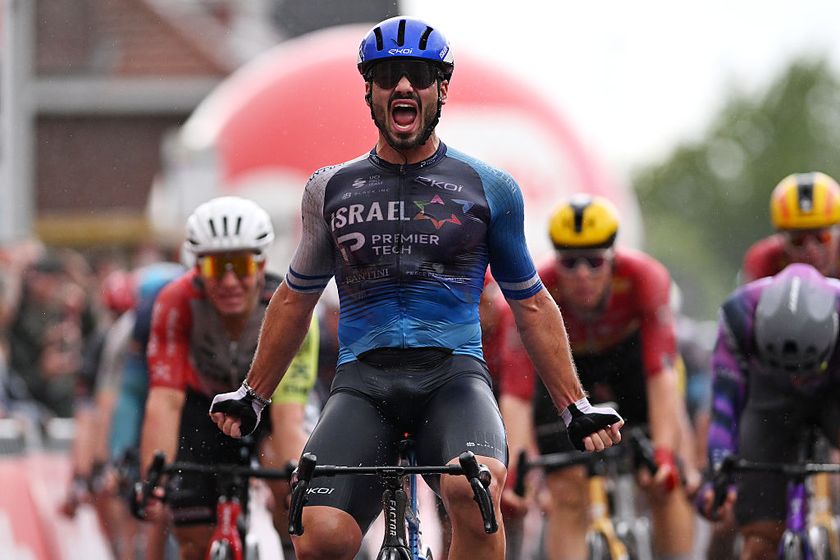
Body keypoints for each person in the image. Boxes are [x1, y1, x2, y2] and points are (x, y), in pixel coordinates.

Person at [208, 16, 623, 560]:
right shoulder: (328, 190)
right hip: (363, 384)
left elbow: (532, 304)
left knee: (472, 493)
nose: (403, 86)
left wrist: (575, 407)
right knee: (318, 534)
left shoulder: (489, 188)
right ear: (370, 92)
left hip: (452, 378)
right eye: (388, 76)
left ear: (441, 89)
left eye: (419, 75)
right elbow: (294, 299)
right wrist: (253, 394)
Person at [498, 194, 696, 560]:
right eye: (570, 263)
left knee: (665, 482)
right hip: (566, 372)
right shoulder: (536, 287)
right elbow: (516, 394)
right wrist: (516, 473)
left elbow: (661, 374)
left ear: (614, 259)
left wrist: (667, 454)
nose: (583, 274)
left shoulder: (644, 277)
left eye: (594, 261)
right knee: (567, 489)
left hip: (630, 367)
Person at [138, 196, 319, 560]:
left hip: (269, 408)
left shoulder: (289, 309)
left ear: (262, 264)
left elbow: (288, 418)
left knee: (295, 501)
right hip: (204, 409)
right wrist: (151, 478)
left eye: (240, 265)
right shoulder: (175, 301)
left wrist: (300, 487)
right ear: (197, 269)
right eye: (216, 268)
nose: (230, 280)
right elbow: (165, 401)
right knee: (192, 536)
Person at [696, 263, 840, 560]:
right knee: (760, 540)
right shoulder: (739, 316)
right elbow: (725, 408)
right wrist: (719, 476)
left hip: (833, 393)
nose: (798, 379)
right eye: (790, 370)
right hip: (771, 400)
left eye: (806, 370)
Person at [741, 171, 840, 283]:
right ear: (781, 238)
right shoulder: (764, 260)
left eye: (821, 237)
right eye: (798, 240)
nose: (811, 250)